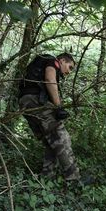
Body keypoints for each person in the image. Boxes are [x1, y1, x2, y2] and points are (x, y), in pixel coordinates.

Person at [18, 53, 80, 182]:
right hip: (36, 101)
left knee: (50, 142)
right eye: (70, 67)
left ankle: (47, 177)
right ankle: (74, 178)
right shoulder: (52, 61)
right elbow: (50, 80)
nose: (69, 72)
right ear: (62, 60)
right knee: (61, 137)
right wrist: (58, 106)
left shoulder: (40, 64)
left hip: (25, 103)